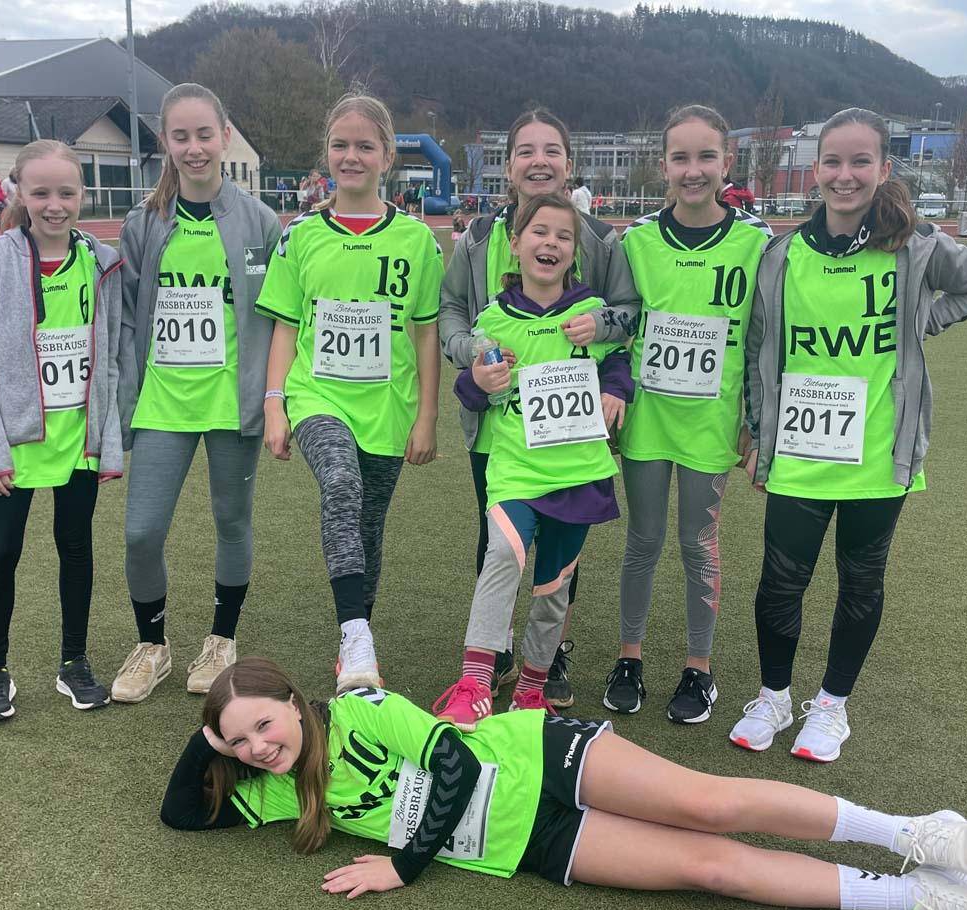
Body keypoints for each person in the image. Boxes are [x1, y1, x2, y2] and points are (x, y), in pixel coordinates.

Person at [160, 656, 967, 910]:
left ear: (295, 701)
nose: (258, 746)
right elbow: (180, 814)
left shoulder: (362, 710)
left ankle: (914, 833)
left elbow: (452, 764)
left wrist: (402, 866)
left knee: (708, 804)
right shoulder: (275, 790)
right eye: (239, 742)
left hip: (538, 759)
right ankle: (917, 897)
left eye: (263, 723)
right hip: (526, 845)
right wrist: (212, 736)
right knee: (712, 870)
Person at [737, 108, 967, 762]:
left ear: (884, 169)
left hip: (879, 454)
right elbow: (758, 346)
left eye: (861, 162)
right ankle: (773, 697)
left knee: (861, 582)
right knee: (780, 583)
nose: (845, 175)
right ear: (816, 170)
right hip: (799, 449)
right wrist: (756, 430)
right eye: (833, 161)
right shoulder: (782, 254)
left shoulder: (914, 246)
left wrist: (923, 322)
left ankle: (831, 706)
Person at [440, 107, 639, 709]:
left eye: (551, 150)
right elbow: (457, 332)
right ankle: (481, 672)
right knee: (501, 548)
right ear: (508, 165)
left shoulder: (598, 261)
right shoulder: (483, 263)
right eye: (526, 150)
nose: (539, 161)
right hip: (509, 455)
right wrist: (476, 368)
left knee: (555, 577)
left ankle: (536, 679)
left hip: (577, 463)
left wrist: (614, 378)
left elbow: (624, 331)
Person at [257, 92, 443, 693]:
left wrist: (427, 418)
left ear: (387, 156)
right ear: (326, 153)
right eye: (340, 145)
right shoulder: (300, 235)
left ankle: (354, 640)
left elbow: (425, 334)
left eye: (365, 146)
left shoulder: (417, 240)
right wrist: (275, 404)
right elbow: (287, 327)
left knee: (367, 526)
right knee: (340, 483)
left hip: (389, 409)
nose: (351, 156)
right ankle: (357, 634)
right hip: (317, 397)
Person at [113, 83, 283, 704]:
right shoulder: (143, 223)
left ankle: (221, 641)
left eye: (204, 134)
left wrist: (273, 396)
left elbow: (280, 317)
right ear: (165, 141)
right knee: (141, 532)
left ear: (225, 135)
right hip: (164, 401)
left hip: (232, 403)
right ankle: (152, 646)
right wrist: (124, 400)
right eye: (180, 136)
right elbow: (126, 317)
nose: (194, 147)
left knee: (231, 521)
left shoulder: (261, 223)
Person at [610, 105, 772, 721]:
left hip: (712, 422)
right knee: (643, 539)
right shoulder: (636, 240)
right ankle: (630, 657)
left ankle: (698, 669)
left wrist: (755, 421)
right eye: (681, 158)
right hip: (649, 419)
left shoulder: (757, 243)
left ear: (727, 162)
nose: (693, 170)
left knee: (697, 543)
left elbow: (762, 341)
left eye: (706, 156)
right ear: (664, 166)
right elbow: (621, 321)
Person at [0, 139, 124, 724]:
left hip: (78, 438)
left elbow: (111, 357)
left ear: (82, 195)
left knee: (75, 547)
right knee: (0, 552)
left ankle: (73, 662)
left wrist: (107, 438)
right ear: (19, 193)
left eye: (66, 192)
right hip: (15, 442)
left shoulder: (103, 261)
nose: (55, 205)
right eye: (41, 193)